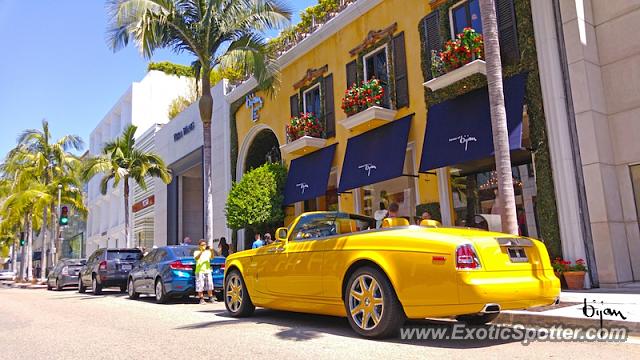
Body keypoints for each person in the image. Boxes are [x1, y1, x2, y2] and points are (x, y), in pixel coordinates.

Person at [194, 239, 214, 304]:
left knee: (209, 284)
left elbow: (212, 257)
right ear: (199, 246)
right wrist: (201, 252)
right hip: (200, 271)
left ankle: (210, 298)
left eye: (205, 245)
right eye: (202, 245)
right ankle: (201, 299)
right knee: (200, 285)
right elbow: (196, 258)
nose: (204, 246)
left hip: (207, 270)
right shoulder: (196, 252)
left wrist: (211, 250)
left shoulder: (208, 252)